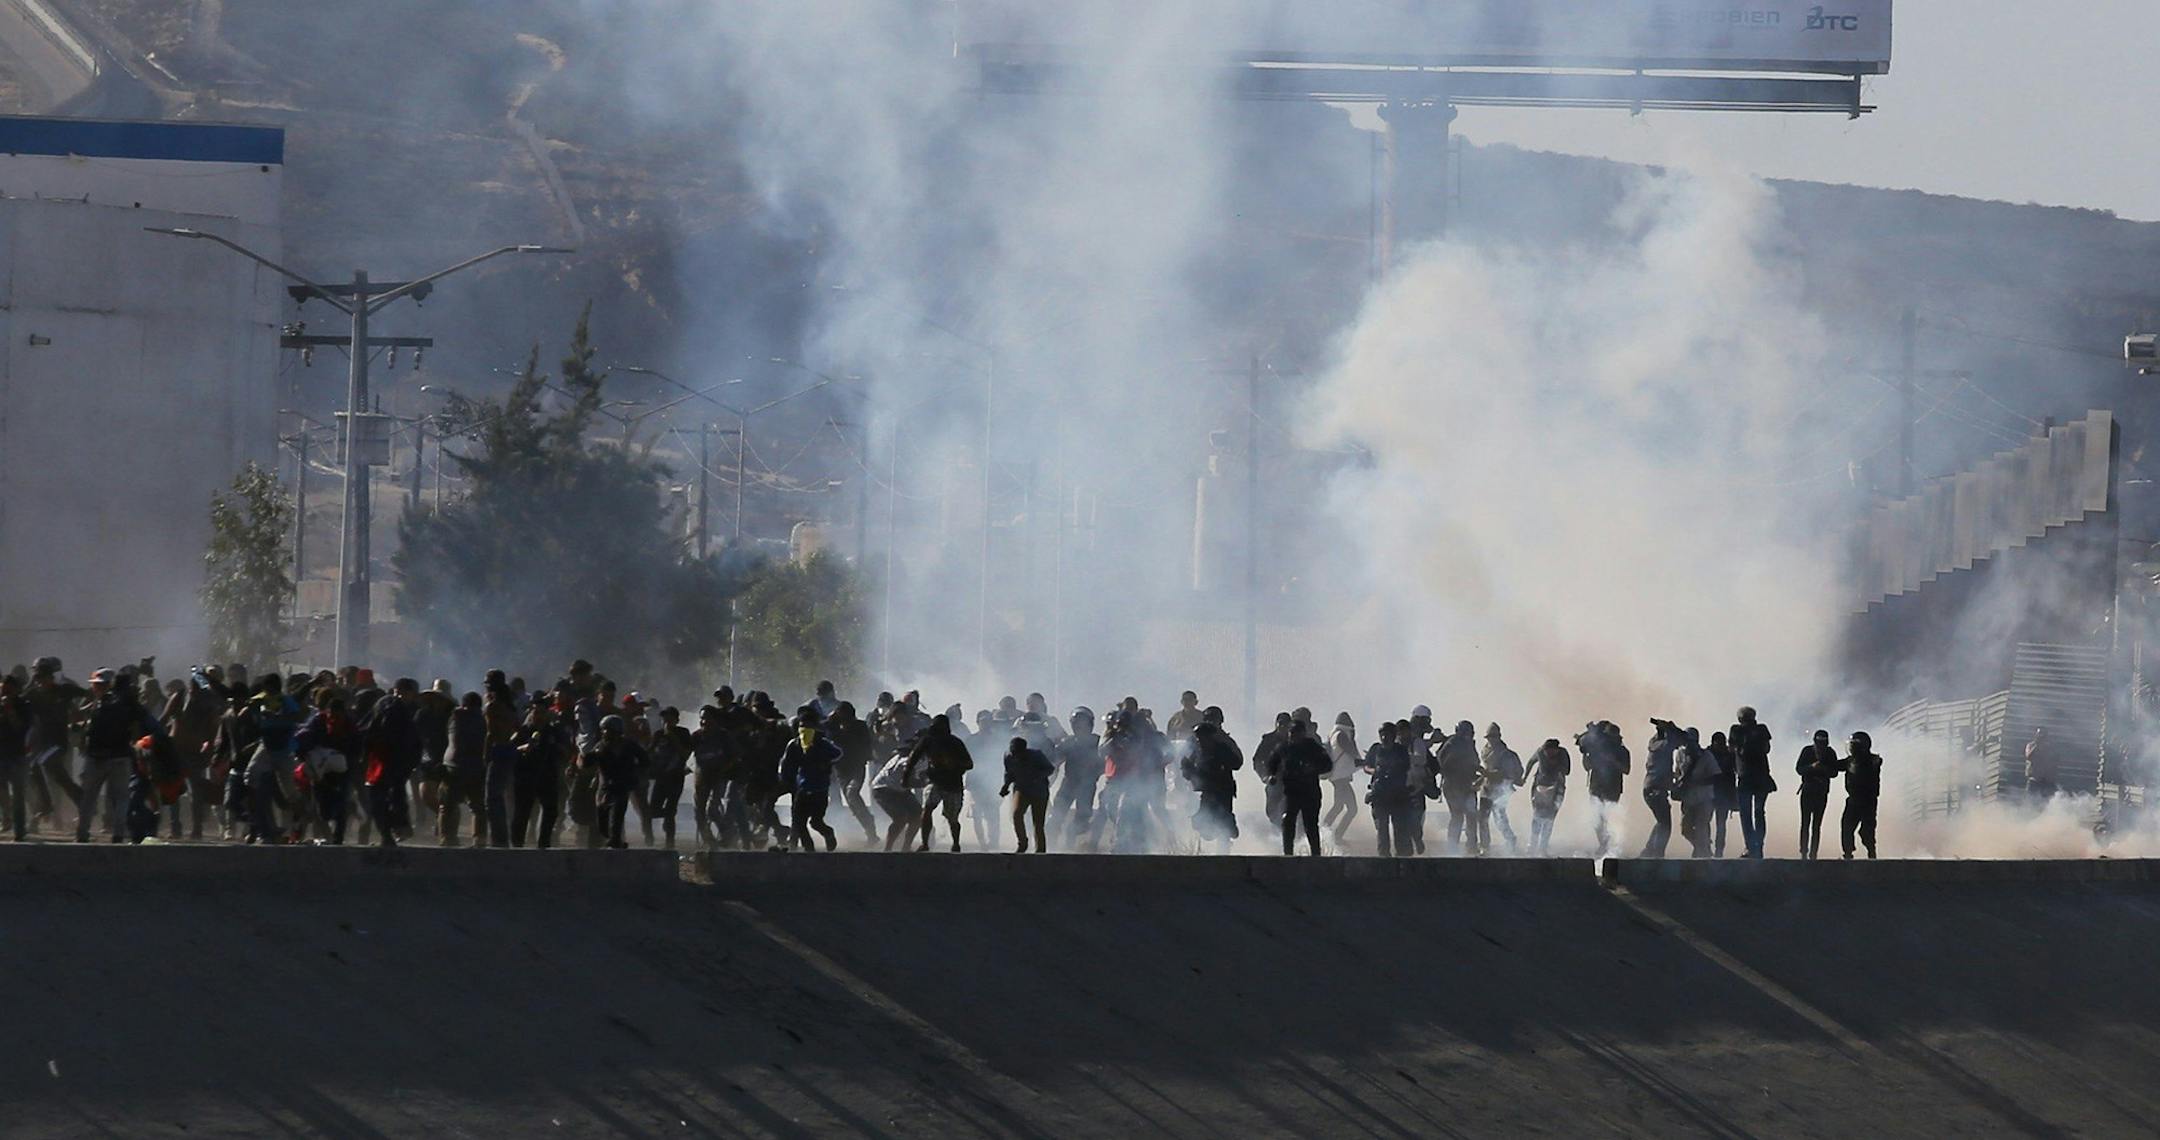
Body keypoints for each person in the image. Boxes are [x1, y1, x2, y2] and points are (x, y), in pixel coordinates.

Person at [79, 669, 159, 843]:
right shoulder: (130, 705)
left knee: (89, 797)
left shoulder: (101, 703)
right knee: (122, 798)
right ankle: (118, 834)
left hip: (97, 757)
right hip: (121, 756)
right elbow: (143, 728)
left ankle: (82, 832)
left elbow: (89, 729)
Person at [293, 692, 359, 844]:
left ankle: (338, 838)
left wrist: (349, 763)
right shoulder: (318, 721)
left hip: (342, 768)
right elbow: (302, 738)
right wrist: (304, 757)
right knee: (323, 809)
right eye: (332, 714)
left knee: (341, 801)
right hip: (320, 768)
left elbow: (356, 748)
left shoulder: (350, 725)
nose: (335, 719)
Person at [906, 714, 974, 853]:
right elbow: (914, 756)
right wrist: (906, 775)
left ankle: (956, 844)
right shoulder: (928, 741)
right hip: (934, 781)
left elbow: (969, 764)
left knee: (952, 818)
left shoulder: (955, 743)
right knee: (927, 810)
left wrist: (953, 763)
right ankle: (925, 843)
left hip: (953, 784)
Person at [779, 707, 841, 852]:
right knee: (799, 824)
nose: (804, 730)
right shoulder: (794, 745)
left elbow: (838, 753)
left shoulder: (822, 743)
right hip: (802, 788)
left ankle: (828, 833)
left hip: (820, 789)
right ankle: (809, 850)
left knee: (816, 822)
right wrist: (786, 781)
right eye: (802, 726)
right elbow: (786, 765)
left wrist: (825, 762)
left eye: (808, 727)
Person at [581, 714, 648, 849]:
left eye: (612, 731)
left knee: (617, 818)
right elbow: (587, 762)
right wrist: (583, 757)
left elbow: (645, 760)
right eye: (606, 731)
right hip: (604, 788)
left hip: (622, 787)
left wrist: (636, 774)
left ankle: (616, 842)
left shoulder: (629, 745)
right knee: (602, 824)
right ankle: (616, 841)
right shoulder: (600, 746)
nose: (609, 734)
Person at [511, 700, 568, 848]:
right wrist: (523, 748)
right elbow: (510, 748)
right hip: (526, 776)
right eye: (536, 712)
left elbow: (565, 751)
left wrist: (554, 746)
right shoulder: (524, 731)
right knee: (522, 813)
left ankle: (544, 843)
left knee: (550, 811)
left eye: (542, 713)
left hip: (547, 776)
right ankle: (517, 844)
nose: (539, 716)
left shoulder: (553, 731)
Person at [1183, 714, 1243, 852]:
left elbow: (1237, 763)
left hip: (1223, 790)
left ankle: (1223, 850)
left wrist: (1222, 763)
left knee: (1223, 821)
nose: (1200, 740)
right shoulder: (1196, 751)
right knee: (1201, 822)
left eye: (1203, 737)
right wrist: (1188, 769)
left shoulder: (1221, 748)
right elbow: (1189, 771)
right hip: (1207, 790)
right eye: (1198, 737)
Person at [1273, 717, 1332, 856]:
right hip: (1291, 791)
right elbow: (1272, 762)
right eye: (1292, 733)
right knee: (1288, 820)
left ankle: (1316, 854)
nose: (1294, 736)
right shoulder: (1284, 747)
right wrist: (1271, 775)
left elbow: (1328, 765)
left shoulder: (1313, 747)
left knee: (1310, 824)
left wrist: (1313, 769)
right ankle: (1288, 853)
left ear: (1303, 734)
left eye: (1297, 733)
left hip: (1310, 791)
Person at [826, 701, 880, 844]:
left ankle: (870, 829)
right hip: (841, 770)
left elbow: (864, 745)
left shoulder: (860, 726)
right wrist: (831, 722)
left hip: (857, 768)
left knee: (852, 794)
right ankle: (870, 831)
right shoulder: (833, 727)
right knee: (852, 801)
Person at [1051, 707, 1104, 848]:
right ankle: (1049, 847)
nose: (1080, 727)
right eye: (1077, 724)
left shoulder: (1098, 742)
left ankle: (1075, 844)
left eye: (1083, 723)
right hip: (1069, 783)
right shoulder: (1068, 742)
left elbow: (1107, 761)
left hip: (1087, 785)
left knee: (1082, 820)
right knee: (1055, 817)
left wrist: (1096, 773)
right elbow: (1054, 760)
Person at [439, 691, 487, 846]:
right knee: (477, 806)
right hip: (475, 766)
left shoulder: (454, 716)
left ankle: (446, 837)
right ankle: (479, 839)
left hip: (453, 765)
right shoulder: (483, 720)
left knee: (447, 805)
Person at [1362, 722, 1415, 858]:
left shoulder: (1401, 750)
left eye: (1388, 734)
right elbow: (1366, 766)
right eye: (1382, 734)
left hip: (1397, 795)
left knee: (1399, 829)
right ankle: (1384, 858)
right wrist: (1375, 771)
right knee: (1382, 830)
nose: (1385, 737)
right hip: (1380, 794)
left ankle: (1401, 858)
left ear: (1394, 735)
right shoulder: (1375, 749)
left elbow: (1405, 767)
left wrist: (1392, 768)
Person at [1729, 707, 1775, 860]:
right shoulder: (1762, 729)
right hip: (1762, 776)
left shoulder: (1736, 730)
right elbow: (1767, 748)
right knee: (1759, 812)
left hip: (1745, 776)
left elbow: (1732, 749)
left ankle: (1750, 846)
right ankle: (1758, 847)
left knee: (1746, 813)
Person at [1578, 721, 1630, 858]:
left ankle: (1609, 846)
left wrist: (1612, 760)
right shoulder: (1598, 750)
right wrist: (1586, 754)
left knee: (1610, 818)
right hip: (1596, 786)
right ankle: (1603, 844)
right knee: (1596, 819)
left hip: (1613, 787)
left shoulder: (1622, 751)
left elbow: (1626, 769)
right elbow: (1587, 767)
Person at [646, 706, 692, 848]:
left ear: (676, 719)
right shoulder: (659, 734)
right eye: (664, 718)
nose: (666, 721)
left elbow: (685, 754)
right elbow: (649, 751)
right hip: (661, 777)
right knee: (653, 810)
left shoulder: (683, 733)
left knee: (671, 810)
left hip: (676, 777)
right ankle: (653, 835)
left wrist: (673, 738)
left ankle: (669, 842)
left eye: (670, 718)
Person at [1475, 724, 1524, 856]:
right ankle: (1485, 846)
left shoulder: (1505, 754)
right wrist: (1480, 780)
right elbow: (1487, 770)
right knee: (1482, 818)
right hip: (1486, 788)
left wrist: (1486, 773)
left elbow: (1504, 773)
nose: (1491, 739)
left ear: (1499, 737)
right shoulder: (1485, 750)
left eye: (1494, 737)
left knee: (1499, 817)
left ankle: (1510, 839)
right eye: (1490, 737)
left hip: (1501, 789)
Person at [1001, 735, 1056, 853]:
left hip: (1039, 791)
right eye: (1014, 753)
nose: (1017, 757)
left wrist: (1037, 776)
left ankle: (1040, 850)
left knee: (1038, 822)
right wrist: (1005, 786)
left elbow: (1050, 769)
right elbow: (1009, 773)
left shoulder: (1036, 755)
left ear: (1025, 750)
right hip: (1021, 789)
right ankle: (1022, 843)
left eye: (1019, 754)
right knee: (1016, 814)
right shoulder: (1008, 757)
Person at [1674, 728, 1722, 859]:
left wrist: (1698, 782)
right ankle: (1702, 846)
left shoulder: (1706, 755)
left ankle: (1703, 853)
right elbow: (1678, 772)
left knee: (1702, 827)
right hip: (1688, 797)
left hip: (1704, 797)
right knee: (1685, 829)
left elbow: (1715, 776)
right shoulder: (1680, 754)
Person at [1434, 721, 1481, 854]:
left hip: (1467, 785)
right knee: (1457, 816)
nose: (1468, 736)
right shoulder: (1451, 744)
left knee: (1471, 816)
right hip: (1453, 785)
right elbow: (1441, 762)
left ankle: (1471, 846)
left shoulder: (1468, 745)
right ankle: (1453, 847)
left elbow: (1475, 762)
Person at [1795, 729, 1842, 860]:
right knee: (1805, 823)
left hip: (1821, 792)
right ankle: (1804, 852)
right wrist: (1812, 767)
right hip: (1808, 790)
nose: (1821, 745)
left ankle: (1813, 854)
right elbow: (1799, 769)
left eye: (1823, 742)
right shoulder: (1807, 751)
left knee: (1816, 825)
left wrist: (1823, 769)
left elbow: (1834, 772)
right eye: (1819, 742)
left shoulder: (1830, 753)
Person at [869, 742, 924, 852]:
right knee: (900, 818)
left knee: (918, 815)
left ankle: (906, 847)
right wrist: (925, 782)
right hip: (884, 790)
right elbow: (907, 781)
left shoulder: (904, 759)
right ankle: (888, 848)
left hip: (898, 790)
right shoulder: (905, 762)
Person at [1638, 720, 1679, 859]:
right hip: (1656, 789)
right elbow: (1679, 738)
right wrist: (1672, 727)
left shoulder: (1655, 745)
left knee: (1661, 822)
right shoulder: (1663, 746)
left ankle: (1649, 851)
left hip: (1652, 787)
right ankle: (1656, 854)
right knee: (1665, 825)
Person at [1840, 731, 1883, 859]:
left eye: (1854, 746)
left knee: (1867, 831)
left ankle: (1871, 853)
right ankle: (1848, 854)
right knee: (1847, 827)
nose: (1852, 748)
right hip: (1853, 800)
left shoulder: (1873, 761)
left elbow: (1872, 765)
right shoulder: (1850, 761)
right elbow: (1835, 766)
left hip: (1868, 801)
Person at [1525, 738, 1571, 856]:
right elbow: (1530, 762)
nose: (1548, 753)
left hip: (1557, 789)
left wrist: (1556, 765)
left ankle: (1543, 847)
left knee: (1550, 818)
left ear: (1556, 750)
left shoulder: (1563, 754)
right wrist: (1524, 777)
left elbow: (1567, 771)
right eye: (1547, 751)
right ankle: (1532, 845)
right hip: (1539, 786)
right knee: (1537, 815)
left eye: (1551, 751)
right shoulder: (1540, 752)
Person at [0, 675, 32, 840]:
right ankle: (6, 820)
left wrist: (10, 710)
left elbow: (21, 728)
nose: (4, 693)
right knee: (2, 792)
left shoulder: (23, 706)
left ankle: (20, 831)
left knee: (19, 795)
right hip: (1, 755)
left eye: (8, 690)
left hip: (17, 756)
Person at [1325, 713, 1360, 841]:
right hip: (1341, 777)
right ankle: (1333, 835)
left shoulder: (1334, 734)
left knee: (1339, 806)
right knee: (1352, 809)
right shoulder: (1342, 735)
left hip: (1337, 776)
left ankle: (1325, 832)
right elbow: (1353, 754)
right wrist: (1366, 761)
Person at [2024, 727, 2062, 805]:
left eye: (2043, 735)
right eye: (2039, 735)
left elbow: (2056, 759)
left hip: (2047, 781)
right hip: (2034, 779)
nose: (2041, 737)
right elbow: (2028, 757)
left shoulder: (2051, 747)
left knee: (2047, 803)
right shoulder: (2031, 745)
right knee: (2030, 802)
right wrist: (2037, 745)